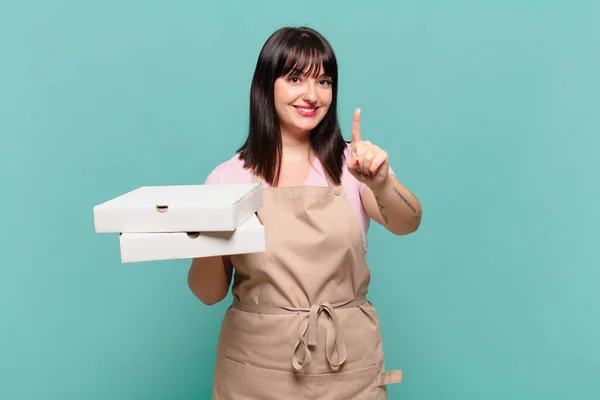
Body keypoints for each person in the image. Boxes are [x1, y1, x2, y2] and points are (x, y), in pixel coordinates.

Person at [187, 26, 422, 399]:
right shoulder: (228, 177)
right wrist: (204, 237)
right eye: (295, 78)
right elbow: (209, 292)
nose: (311, 95)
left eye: (324, 81)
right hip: (254, 369)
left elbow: (409, 222)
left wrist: (380, 184)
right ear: (267, 85)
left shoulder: (355, 164)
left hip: (346, 365)